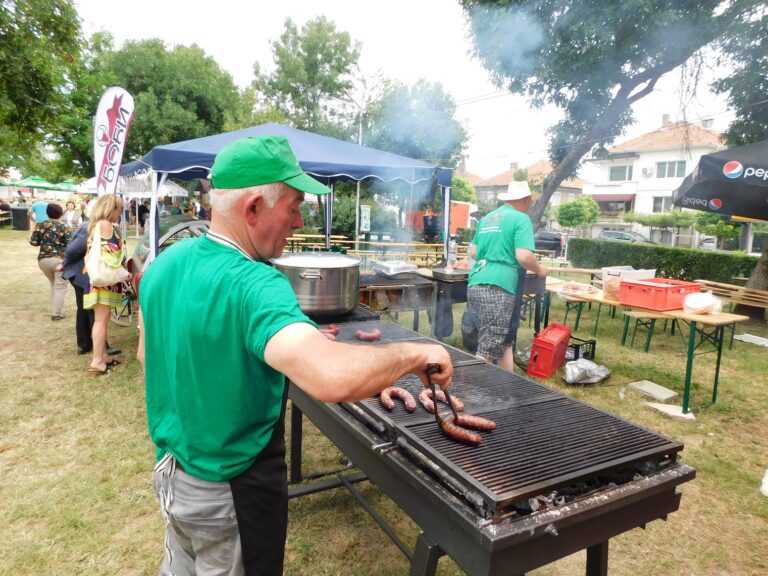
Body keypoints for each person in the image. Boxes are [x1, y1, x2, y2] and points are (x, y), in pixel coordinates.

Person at [137, 135, 453, 576]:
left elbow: (147, 357)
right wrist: (417, 352)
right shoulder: (256, 283)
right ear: (253, 208)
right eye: (293, 206)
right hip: (231, 488)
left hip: (172, 474)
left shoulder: (164, 264)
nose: (299, 220)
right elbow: (331, 379)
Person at [466, 182, 548, 371]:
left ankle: (508, 384)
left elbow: (473, 251)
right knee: (487, 347)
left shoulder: (487, 218)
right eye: (530, 201)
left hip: (476, 283)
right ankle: (470, 392)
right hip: (498, 287)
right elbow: (524, 256)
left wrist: (493, 255)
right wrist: (541, 270)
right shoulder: (520, 219)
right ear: (526, 200)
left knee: (503, 340)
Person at [60, 199, 121, 356]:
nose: (120, 213)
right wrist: (64, 263)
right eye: (119, 209)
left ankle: (85, 344)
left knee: (85, 309)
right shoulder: (91, 227)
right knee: (93, 312)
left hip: (83, 273)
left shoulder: (91, 226)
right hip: (84, 274)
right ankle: (98, 348)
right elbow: (73, 250)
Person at [83, 195, 128, 376]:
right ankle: (97, 362)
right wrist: (124, 272)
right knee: (101, 320)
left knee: (101, 319)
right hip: (105, 280)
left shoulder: (95, 225)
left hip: (96, 278)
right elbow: (113, 254)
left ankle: (102, 356)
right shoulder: (106, 225)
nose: (120, 213)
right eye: (119, 209)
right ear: (112, 209)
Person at [29, 203, 70, 320]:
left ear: (47, 213)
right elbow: (71, 245)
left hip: (43, 261)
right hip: (59, 261)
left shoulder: (41, 225)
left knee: (54, 283)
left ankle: (56, 310)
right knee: (60, 286)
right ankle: (56, 314)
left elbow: (33, 242)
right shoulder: (65, 227)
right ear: (61, 213)